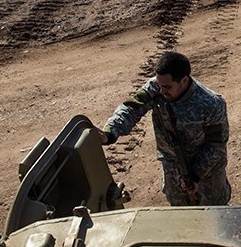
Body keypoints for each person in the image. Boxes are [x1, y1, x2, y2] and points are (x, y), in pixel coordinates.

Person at [96, 51, 231, 207]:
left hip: (207, 174)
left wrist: (194, 175)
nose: (161, 91)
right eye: (159, 85)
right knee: (180, 216)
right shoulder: (156, 87)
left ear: (184, 80)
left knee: (216, 214)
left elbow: (216, 146)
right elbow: (131, 108)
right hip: (173, 168)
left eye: (167, 87)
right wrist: (110, 132)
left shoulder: (212, 104)